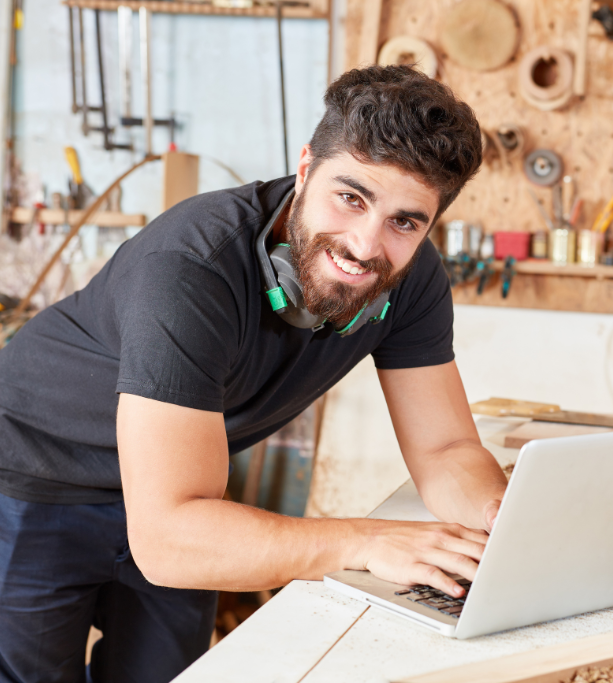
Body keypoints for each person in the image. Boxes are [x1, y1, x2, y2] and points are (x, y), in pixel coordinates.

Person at [0, 65, 507, 683]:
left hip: (181, 497)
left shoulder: (412, 277)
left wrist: (504, 521)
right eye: (351, 197)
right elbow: (166, 538)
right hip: (30, 477)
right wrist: (365, 541)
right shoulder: (190, 268)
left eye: (406, 220)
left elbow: (447, 448)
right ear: (304, 168)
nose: (366, 245)